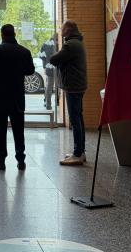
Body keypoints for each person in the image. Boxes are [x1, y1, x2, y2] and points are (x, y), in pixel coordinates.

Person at [0, 24, 35, 171]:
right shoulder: (24, 51)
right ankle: (21, 160)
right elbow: (30, 70)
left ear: (2, 35)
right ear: (14, 34)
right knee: (18, 130)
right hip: (17, 97)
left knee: (0, 129)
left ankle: (1, 160)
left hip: (0, 97)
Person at [50, 20, 88, 166]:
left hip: (73, 86)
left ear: (69, 30)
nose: (61, 30)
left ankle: (78, 154)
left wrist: (60, 58)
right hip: (77, 85)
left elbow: (54, 59)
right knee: (78, 118)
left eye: (63, 28)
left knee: (75, 120)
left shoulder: (70, 45)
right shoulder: (76, 43)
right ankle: (80, 151)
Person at [39, 32, 59, 110]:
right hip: (57, 68)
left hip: (48, 68)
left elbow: (41, 55)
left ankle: (48, 104)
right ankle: (54, 102)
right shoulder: (58, 44)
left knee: (48, 86)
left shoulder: (45, 44)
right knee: (56, 86)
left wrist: (46, 62)